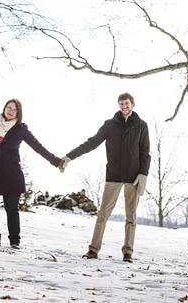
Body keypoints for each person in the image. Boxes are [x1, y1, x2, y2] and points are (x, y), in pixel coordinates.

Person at [58, 92, 150, 263]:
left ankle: (127, 252)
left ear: (133, 105)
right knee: (103, 214)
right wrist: (69, 157)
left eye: (127, 103)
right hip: (113, 176)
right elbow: (91, 143)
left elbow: (145, 153)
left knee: (131, 216)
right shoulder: (109, 125)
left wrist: (143, 174)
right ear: (119, 105)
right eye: (121, 104)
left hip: (133, 177)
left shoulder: (141, 126)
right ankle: (93, 250)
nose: (124, 106)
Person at [0, 98, 62, 248]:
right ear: (4, 108)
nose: (10, 111)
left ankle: (14, 241)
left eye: (14, 109)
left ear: (18, 113)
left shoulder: (21, 129)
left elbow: (38, 147)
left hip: (11, 175)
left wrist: (56, 161)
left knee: (12, 210)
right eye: (9, 108)